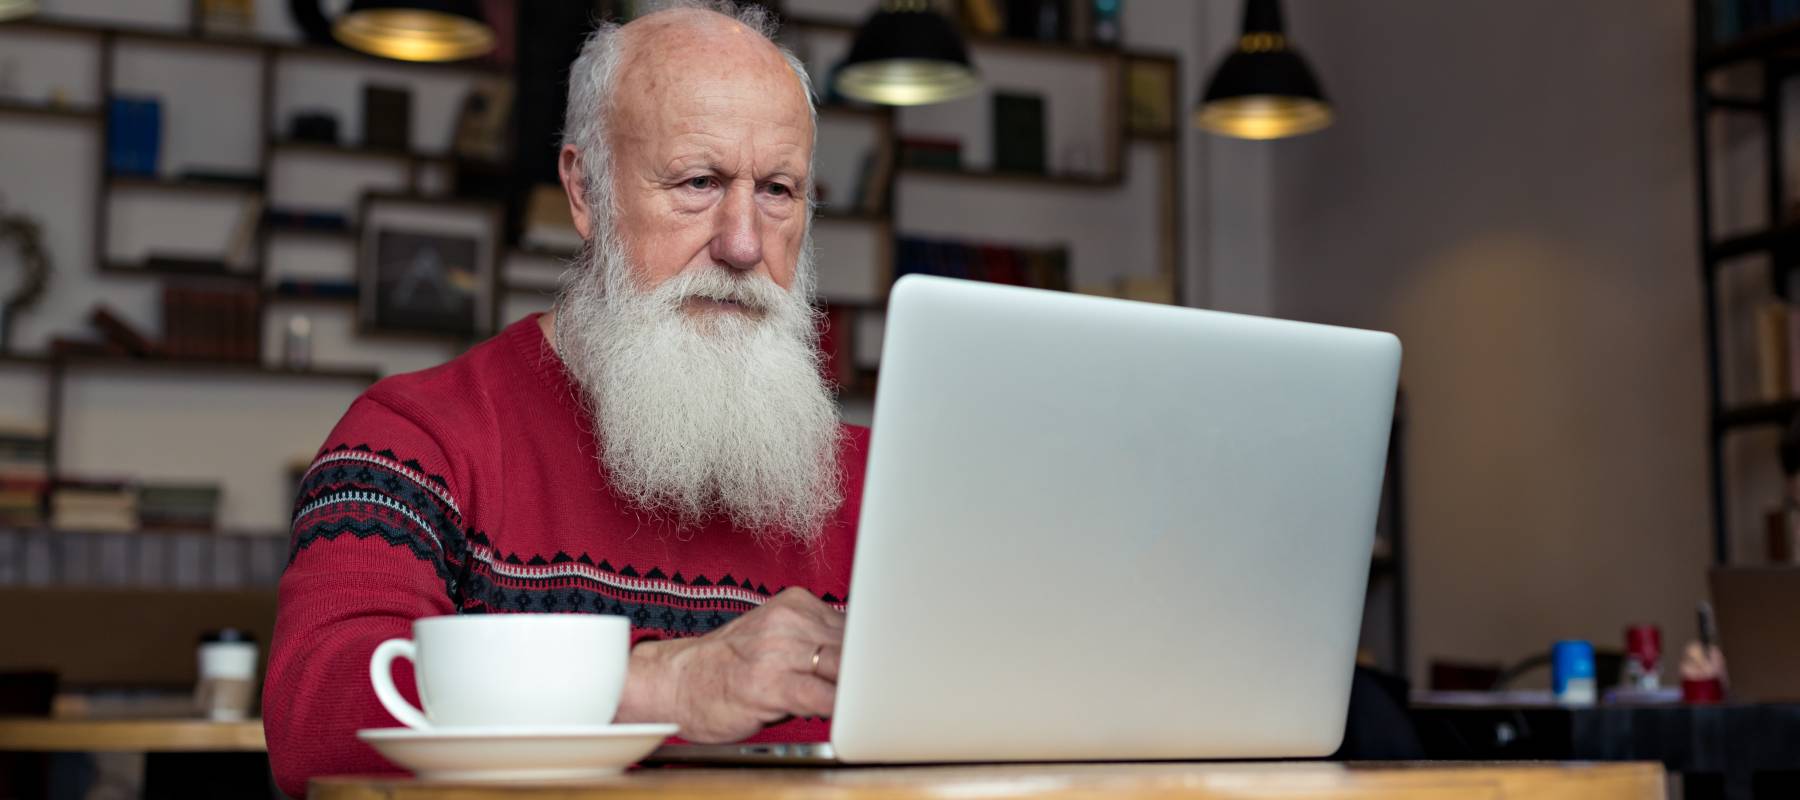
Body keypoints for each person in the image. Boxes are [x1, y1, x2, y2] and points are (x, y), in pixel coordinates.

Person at [263, 3, 859, 795]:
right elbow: (320, 725)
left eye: (779, 190)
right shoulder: (415, 440)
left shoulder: (876, 482)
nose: (743, 242)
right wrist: (654, 690)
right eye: (698, 182)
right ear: (585, 191)